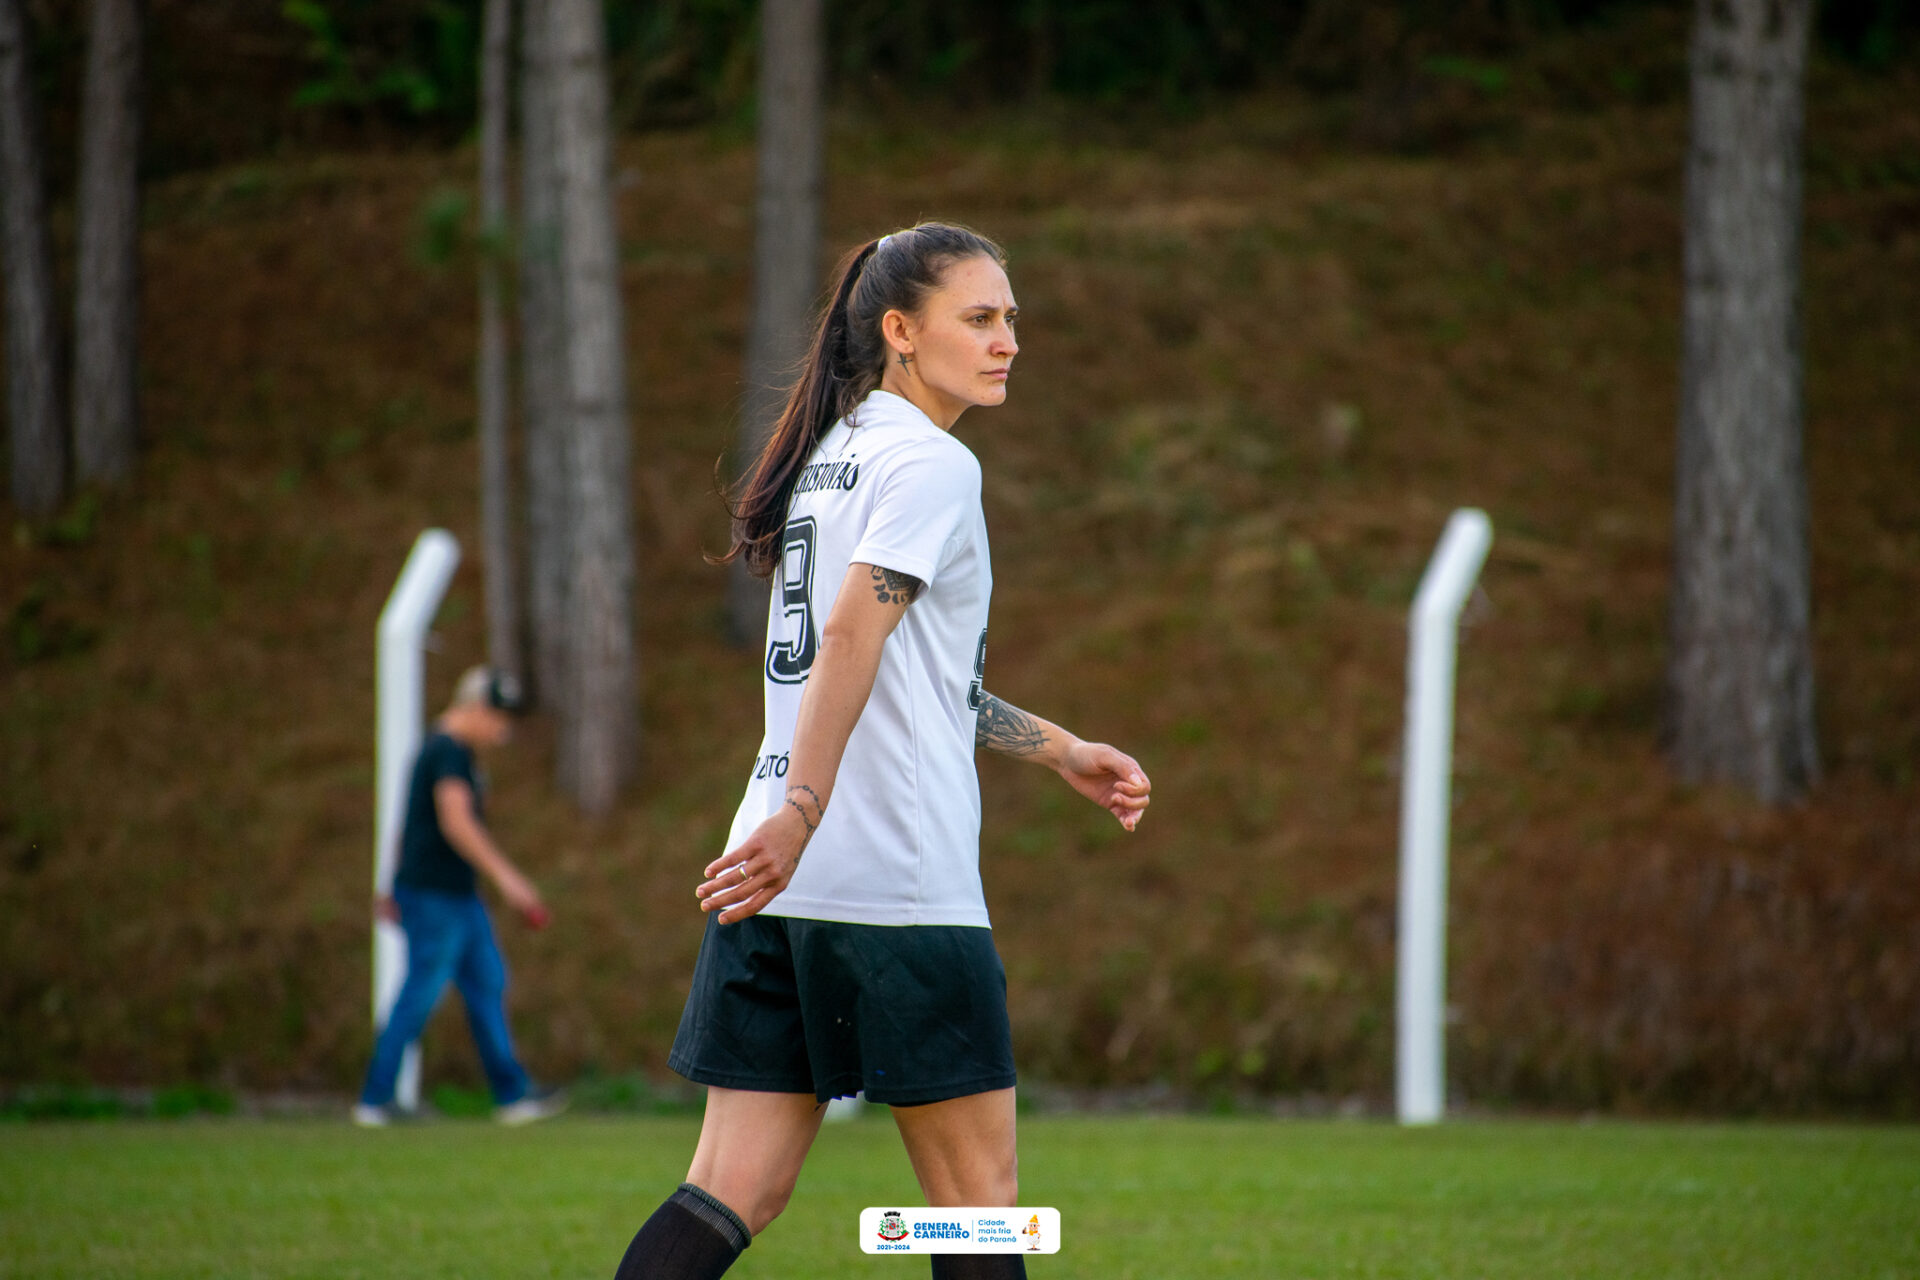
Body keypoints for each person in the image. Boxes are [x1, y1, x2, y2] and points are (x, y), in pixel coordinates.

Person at [612, 223, 1151, 1279]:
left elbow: (915, 676)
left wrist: (1058, 748)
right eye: (981, 318)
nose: (1007, 342)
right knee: (977, 1208)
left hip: (773, 879)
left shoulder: (832, 454)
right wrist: (809, 809)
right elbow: (853, 634)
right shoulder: (934, 461)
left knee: (732, 1186)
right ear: (902, 331)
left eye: (1012, 321)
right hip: (891, 880)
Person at [353, 665, 568, 1128]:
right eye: (497, 716)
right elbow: (456, 822)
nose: (502, 730)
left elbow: (409, 824)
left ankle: (511, 1094)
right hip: (435, 896)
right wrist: (509, 881)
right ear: (471, 708)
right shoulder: (448, 751)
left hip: (456, 895)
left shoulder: (456, 754)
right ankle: (375, 1099)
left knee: (487, 983)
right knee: (421, 991)